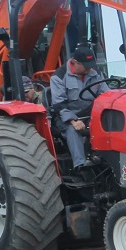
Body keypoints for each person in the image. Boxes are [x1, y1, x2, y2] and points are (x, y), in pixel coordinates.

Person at [49, 41, 107, 171]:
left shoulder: (95, 72)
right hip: (66, 116)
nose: (89, 69)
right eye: (86, 66)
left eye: (91, 65)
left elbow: (106, 93)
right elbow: (58, 104)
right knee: (72, 131)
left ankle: (104, 158)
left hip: (90, 113)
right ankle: (81, 166)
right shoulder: (59, 76)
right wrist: (73, 120)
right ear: (75, 62)